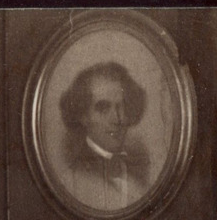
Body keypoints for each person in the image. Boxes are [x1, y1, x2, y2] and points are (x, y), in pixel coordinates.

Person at [57, 61, 152, 211]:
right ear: (83, 116)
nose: (117, 119)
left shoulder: (140, 184)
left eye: (122, 107)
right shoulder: (68, 184)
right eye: (103, 108)